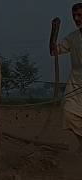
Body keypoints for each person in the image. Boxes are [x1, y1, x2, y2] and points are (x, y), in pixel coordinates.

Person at [50, 3, 82, 153]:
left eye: (80, 15)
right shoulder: (73, 37)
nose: (76, 18)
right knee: (69, 112)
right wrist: (53, 33)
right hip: (76, 82)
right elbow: (54, 51)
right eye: (74, 15)